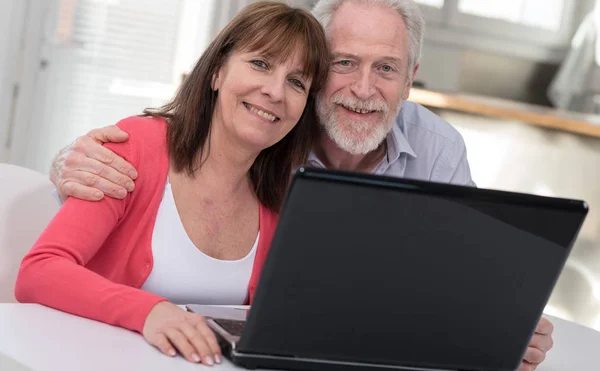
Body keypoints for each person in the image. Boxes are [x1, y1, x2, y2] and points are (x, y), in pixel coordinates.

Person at [45, 1, 553, 370]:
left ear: (411, 78)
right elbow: (170, 150)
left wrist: (500, 325)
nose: (363, 88)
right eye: (345, 63)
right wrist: (65, 162)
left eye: (387, 69)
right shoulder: (267, 143)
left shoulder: (435, 149)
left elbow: (461, 278)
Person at [14, 1, 330, 367]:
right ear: (217, 72)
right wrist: (150, 312)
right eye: (260, 63)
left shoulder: (285, 199)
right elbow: (38, 271)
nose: (276, 92)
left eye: (296, 82)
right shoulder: (135, 146)